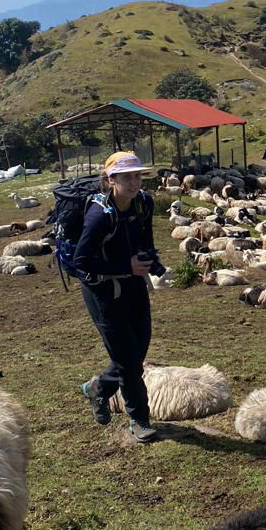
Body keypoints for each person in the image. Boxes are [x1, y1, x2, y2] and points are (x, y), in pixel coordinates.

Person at [73, 151, 166, 444]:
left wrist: (155, 264)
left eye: (137, 175)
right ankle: (139, 420)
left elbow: (145, 241)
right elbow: (81, 261)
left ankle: (98, 387)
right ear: (111, 179)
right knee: (127, 361)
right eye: (127, 177)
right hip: (102, 292)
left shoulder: (144, 203)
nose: (134, 182)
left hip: (134, 284)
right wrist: (124, 267)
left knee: (137, 352)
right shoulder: (100, 215)